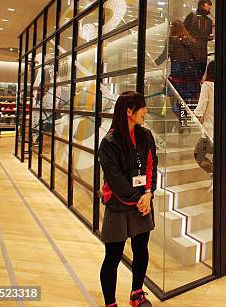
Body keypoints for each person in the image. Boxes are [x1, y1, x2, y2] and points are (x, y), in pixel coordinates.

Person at [98, 91, 158, 307]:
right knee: (113, 257)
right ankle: (110, 303)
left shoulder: (146, 135)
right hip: (118, 205)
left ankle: (137, 293)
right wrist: (140, 198)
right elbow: (116, 181)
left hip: (142, 202)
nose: (146, 112)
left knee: (141, 250)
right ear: (129, 111)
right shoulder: (109, 143)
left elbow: (152, 165)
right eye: (142, 107)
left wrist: (149, 193)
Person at [194, 61, 226, 192]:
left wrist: (196, 115)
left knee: (198, 154)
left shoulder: (207, 86)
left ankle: (215, 175)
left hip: (212, 130)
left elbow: (201, 106)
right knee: (219, 158)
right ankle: (218, 181)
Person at [154, 19, 198, 117]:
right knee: (184, 99)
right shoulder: (190, 40)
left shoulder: (172, 40)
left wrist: (154, 63)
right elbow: (196, 56)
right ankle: (184, 119)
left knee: (174, 97)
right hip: (189, 74)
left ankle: (181, 119)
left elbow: (164, 55)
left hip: (177, 73)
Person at [184, 0, 213, 97]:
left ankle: (196, 95)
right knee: (191, 73)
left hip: (203, 51)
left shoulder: (209, 21)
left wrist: (209, 37)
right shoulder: (192, 16)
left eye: (210, 5)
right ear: (201, 5)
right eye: (207, 4)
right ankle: (190, 95)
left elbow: (208, 34)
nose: (209, 7)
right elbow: (184, 31)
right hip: (191, 51)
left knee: (200, 72)